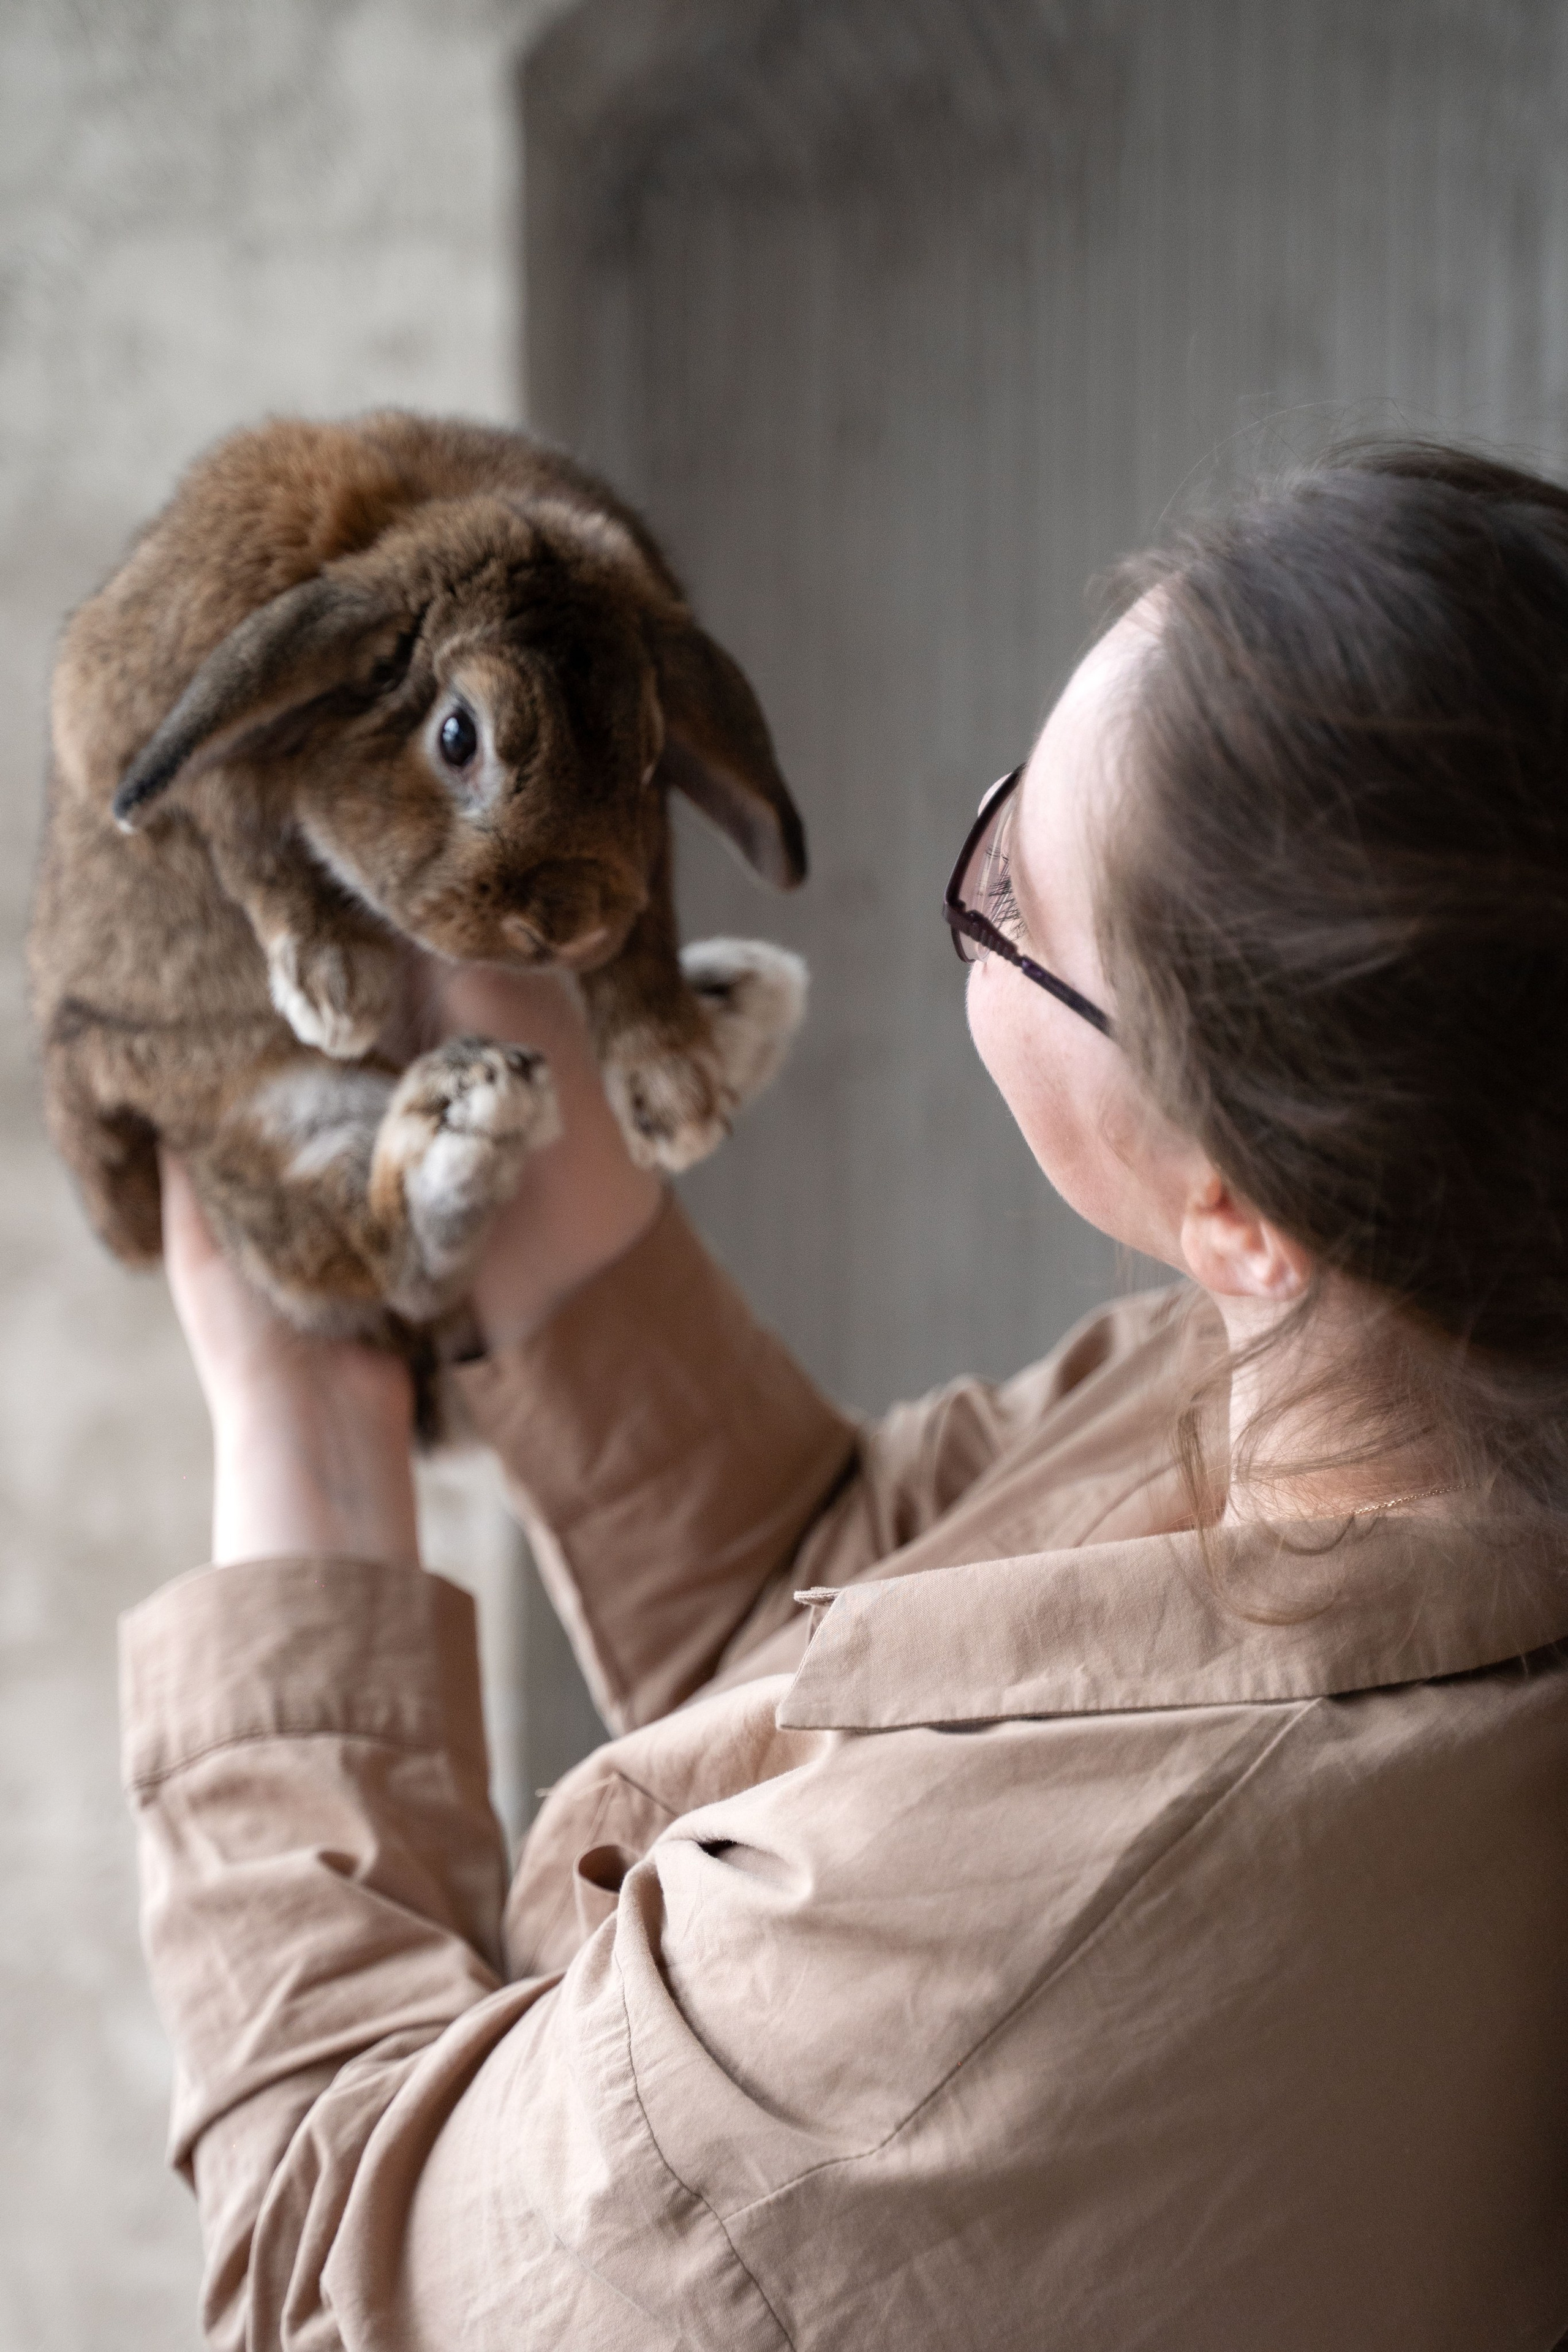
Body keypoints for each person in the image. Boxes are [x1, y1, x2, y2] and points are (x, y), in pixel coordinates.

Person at [126, 444, 1568, 2351]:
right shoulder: (1432, 1345)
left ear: (1237, 1209)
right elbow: (849, 1624)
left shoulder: (913, 2035)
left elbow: (332, 2281)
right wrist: (538, 1193)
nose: (967, 874)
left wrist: (298, 1425)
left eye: (1014, 899)